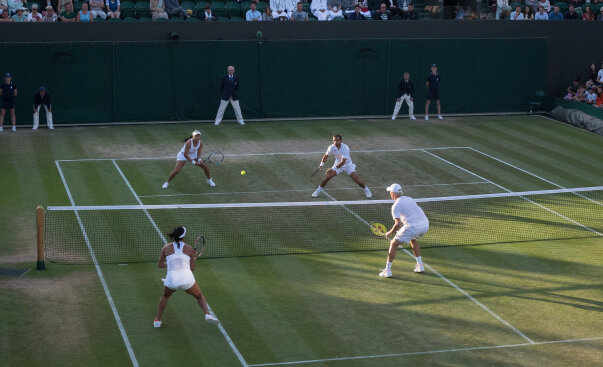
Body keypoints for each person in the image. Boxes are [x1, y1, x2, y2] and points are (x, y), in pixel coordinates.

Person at [154, 226, 220, 328]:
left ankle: (157, 320)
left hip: (172, 279)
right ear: (183, 237)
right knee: (199, 296)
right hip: (186, 278)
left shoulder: (165, 248)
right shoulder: (189, 249)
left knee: (165, 296)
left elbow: (160, 265)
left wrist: (172, 264)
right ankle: (207, 314)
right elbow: (192, 268)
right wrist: (191, 259)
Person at [379, 183, 429, 278]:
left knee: (393, 244)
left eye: (390, 192)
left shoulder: (395, 206)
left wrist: (389, 233)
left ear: (392, 193)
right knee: (413, 240)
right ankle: (420, 265)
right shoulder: (409, 198)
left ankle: (387, 270)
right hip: (425, 224)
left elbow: (397, 224)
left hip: (413, 226)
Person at [311, 134, 372, 198]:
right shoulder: (331, 147)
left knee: (356, 180)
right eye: (334, 140)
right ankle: (317, 191)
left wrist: (332, 169)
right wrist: (321, 165)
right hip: (337, 164)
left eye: (337, 140)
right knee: (327, 177)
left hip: (348, 165)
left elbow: (343, 162)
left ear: (341, 140)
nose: (335, 142)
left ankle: (367, 190)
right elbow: (326, 155)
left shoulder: (345, 148)